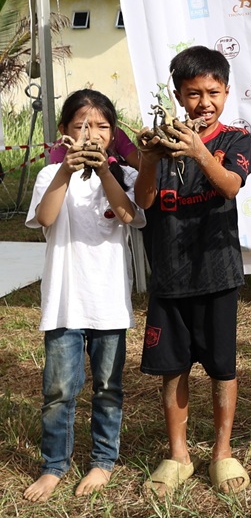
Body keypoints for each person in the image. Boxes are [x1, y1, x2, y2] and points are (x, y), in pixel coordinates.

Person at [134, 46, 251, 496]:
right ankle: (178, 455)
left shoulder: (235, 140)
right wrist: (149, 158)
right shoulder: (162, 142)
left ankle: (222, 452)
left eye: (212, 92)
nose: (203, 103)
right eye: (192, 94)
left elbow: (229, 187)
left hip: (219, 274)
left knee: (223, 368)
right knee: (173, 368)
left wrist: (199, 150)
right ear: (178, 96)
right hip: (169, 277)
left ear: (226, 92)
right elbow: (144, 201)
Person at [23, 89, 146, 502]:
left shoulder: (125, 176)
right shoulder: (49, 175)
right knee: (58, 390)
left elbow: (129, 216)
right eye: (80, 126)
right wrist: (65, 172)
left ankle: (102, 461)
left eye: (101, 127)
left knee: (108, 388)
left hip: (108, 304)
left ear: (112, 134)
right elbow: (45, 217)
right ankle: (54, 465)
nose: (91, 135)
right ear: (64, 134)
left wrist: (107, 171)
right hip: (64, 303)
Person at [49, 127, 140, 168]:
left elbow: (138, 163)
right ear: (63, 130)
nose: (93, 136)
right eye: (82, 127)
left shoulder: (129, 176)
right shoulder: (59, 150)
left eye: (102, 127)